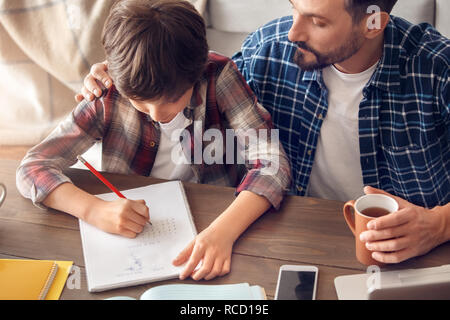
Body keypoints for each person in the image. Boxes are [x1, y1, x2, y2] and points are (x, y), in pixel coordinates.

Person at [79, 0, 449, 265]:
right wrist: (123, 74)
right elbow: (192, 86)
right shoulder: (268, 49)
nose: (293, 32)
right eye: (294, 9)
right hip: (286, 230)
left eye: (317, 22)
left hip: (408, 255)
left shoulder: (436, 69)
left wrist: (439, 224)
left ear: (373, 23)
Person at [17, 0, 291, 281]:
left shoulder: (218, 76)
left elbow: (272, 163)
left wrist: (223, 232)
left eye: (173, 99)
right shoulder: (110, 91)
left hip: (218, 217)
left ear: (197, 72)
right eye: (141, 103)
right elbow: (32, 168)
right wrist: (94, 210)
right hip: (133, 236)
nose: (158, 115)